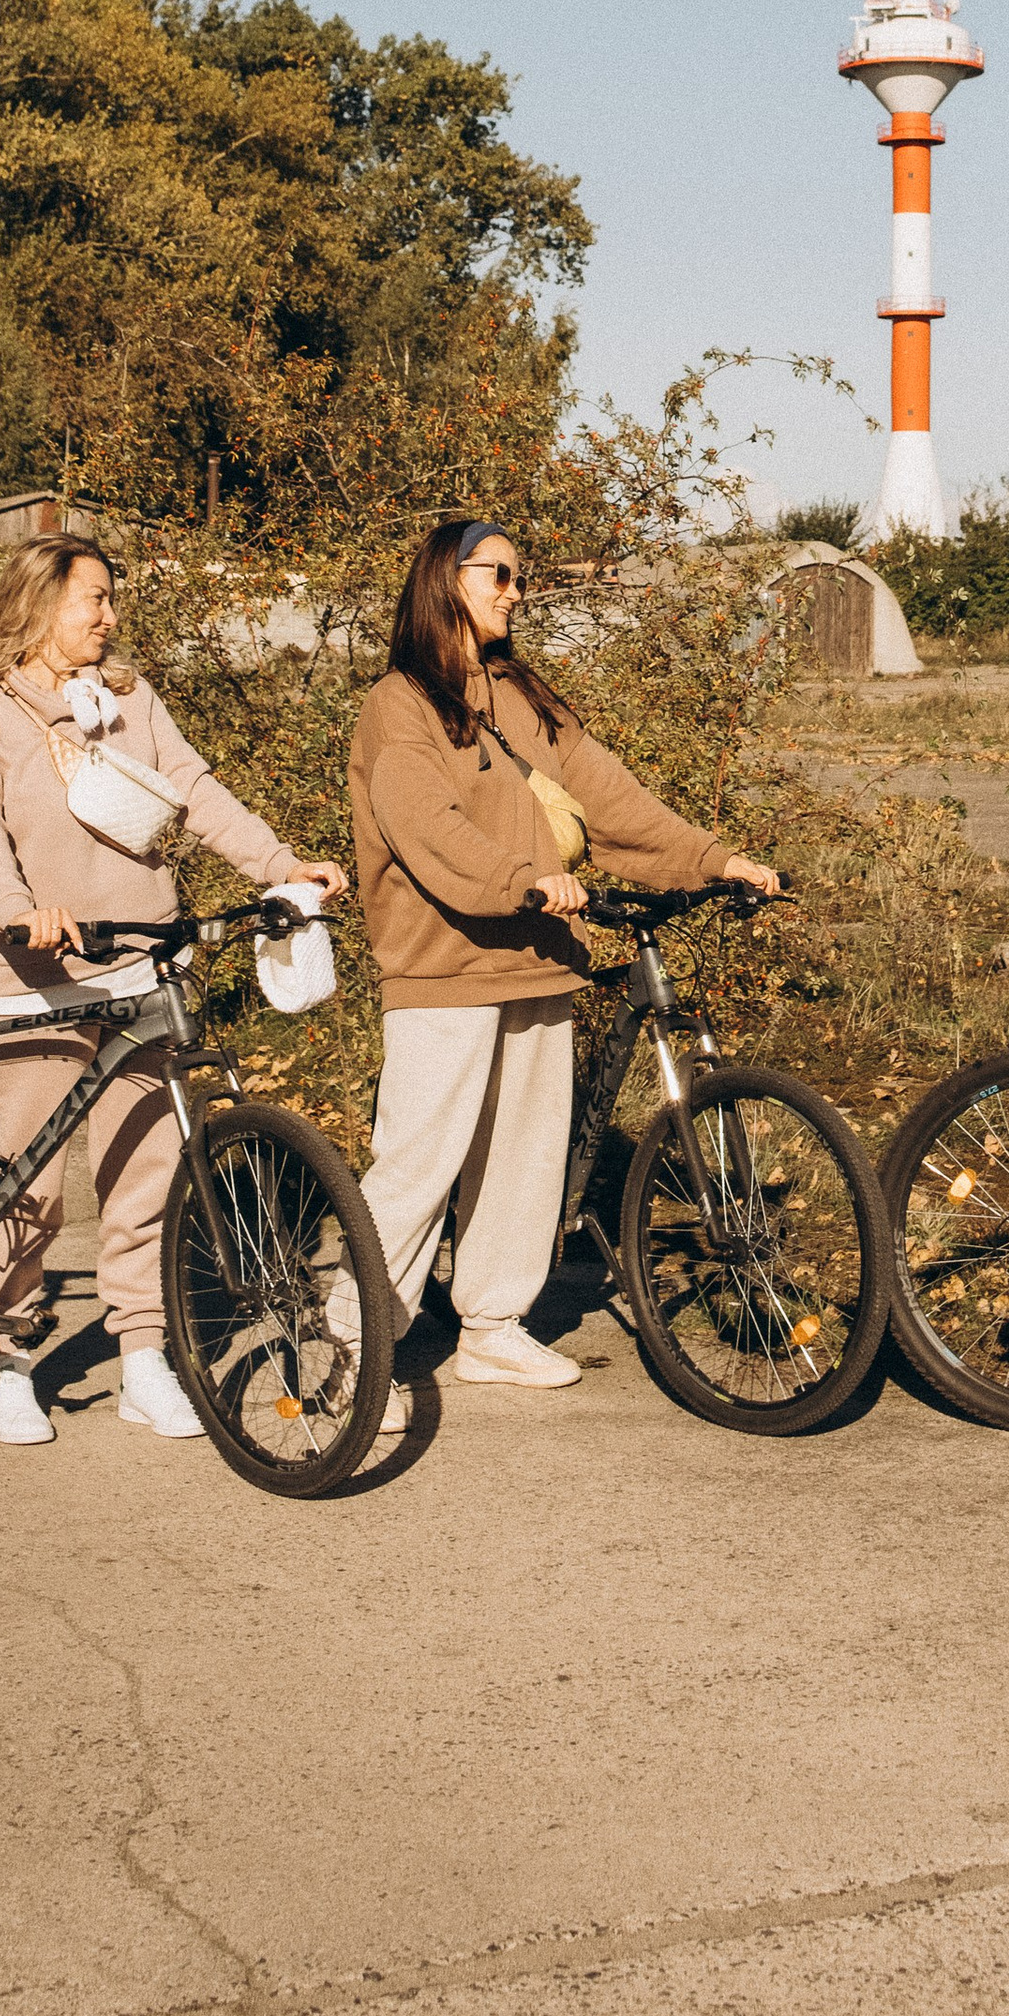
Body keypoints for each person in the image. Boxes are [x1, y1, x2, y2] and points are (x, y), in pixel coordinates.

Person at [346, 516, 778, 1406]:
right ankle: (356, 1342)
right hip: (445, 967)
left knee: (524, 1156)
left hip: (540, 960)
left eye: (519, 577)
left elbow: (607, 795)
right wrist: (523, 880)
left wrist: (712, 858)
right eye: (498, 575)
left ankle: (493, 1329)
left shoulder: (523, 696)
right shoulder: (400, 705)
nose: (515, 591)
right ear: (445, 581)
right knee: (421, 1163)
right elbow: (428, 829)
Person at [0, 536, 344, 1450]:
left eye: (111, 598)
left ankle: (145, 1359)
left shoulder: (127, 702)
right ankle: (7, 1361)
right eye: (93, 599)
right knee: (26, 1185)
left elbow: (195, 792)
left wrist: (281, 867)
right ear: (36, 607)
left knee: (146, 1179)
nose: (109, 615)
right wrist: (17, 909)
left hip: (140, 971)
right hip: (35, 980)